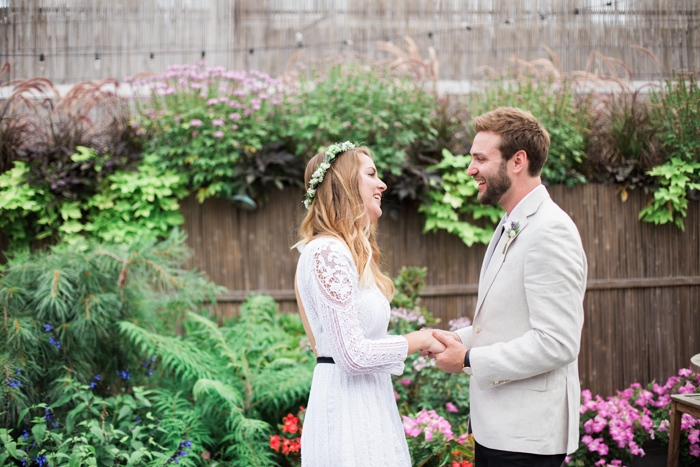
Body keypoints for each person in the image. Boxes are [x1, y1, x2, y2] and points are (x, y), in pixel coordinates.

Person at [429, 107, 588, 466]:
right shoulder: (512, 224)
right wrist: (456, 339)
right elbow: (508, 322)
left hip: (526, 439)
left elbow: (557, 342)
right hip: (497, 430)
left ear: (517, 161)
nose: (471, 170)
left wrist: (468, 359)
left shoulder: (550, 230)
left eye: (480, 159)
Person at [293, 142, 445, 466]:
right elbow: (351, 355)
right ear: (345, 184)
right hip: (347, 414)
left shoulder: (339, 253)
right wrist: (418, 340)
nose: (382, 185)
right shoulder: (328, 253)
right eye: (371, 174)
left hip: (366, 403)